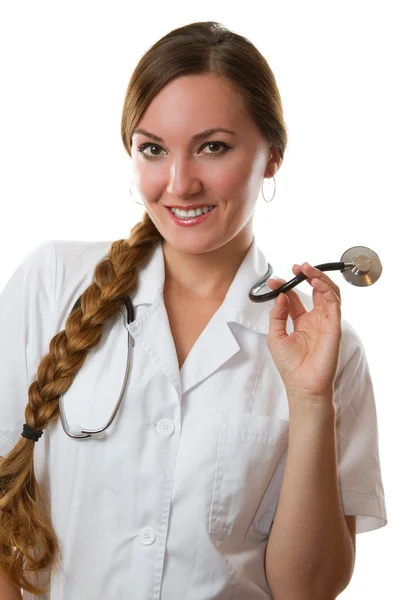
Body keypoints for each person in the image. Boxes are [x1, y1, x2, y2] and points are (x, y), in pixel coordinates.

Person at [0, 20, 387, 600]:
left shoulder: (329, 351)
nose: (179, 184)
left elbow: (307, 590)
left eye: (213, 147)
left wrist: (310, 402)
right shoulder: (53, 282)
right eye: (153, 149)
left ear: (273, 155)